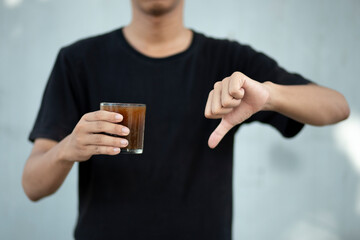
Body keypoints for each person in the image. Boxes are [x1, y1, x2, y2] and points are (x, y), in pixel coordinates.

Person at [22, 0, 350, 239]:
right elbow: (32, 185)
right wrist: (66, 149)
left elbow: (337, 106)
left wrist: (270, 94)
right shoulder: (78, 61)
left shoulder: (228, 61)